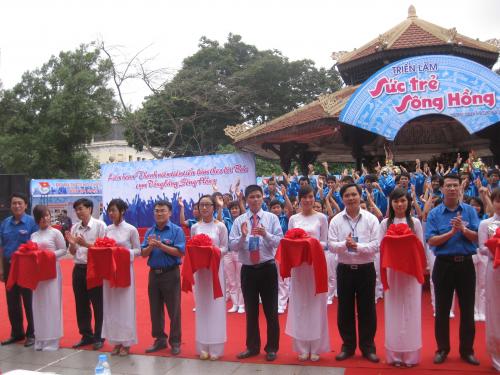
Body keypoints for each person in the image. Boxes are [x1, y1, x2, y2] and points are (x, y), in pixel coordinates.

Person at [425, 174, 480, 365]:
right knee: (441, 310)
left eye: (455, 185)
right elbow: (431, 240)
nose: (452, 189)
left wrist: (463, 230)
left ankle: (467, 351)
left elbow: (478, 238)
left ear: (460, 188)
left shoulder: (470, 212)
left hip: (465, 264)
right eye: (448, 185)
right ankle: (442, 349)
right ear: (442, 189)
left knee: (467, 310)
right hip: (444, 265)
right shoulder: (434, 214)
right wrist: (452, 232)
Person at [229, 185, 283, 362]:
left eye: (258, 196)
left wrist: (266, 234)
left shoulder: (271, 218)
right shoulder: (239, 221)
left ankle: (272, 348)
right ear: (246, 199)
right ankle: (252, 347)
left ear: (262, 198)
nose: (255, 200)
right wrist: (244, 236)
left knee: (271, 311)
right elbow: (233, 246)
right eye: (251, 197)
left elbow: (278, 242)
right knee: (251, 311)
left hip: (267, 268)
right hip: (248, 271)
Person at [328, 183, 380, 363]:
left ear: (360, 196)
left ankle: (368, 347)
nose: (351, 198)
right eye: (347, 195)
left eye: (354, 195)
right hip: (345, 270)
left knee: (368, 310)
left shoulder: (371, 219)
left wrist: (356, 246)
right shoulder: (336, 220)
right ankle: (348, 347)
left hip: (366, 270)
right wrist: (345, 245)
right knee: (345, 310)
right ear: (342, 199)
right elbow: (332, 245)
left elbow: (376, 245)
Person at [379, 188, 424, 367]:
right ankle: (395, 354)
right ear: (391, 203)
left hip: (411, 273)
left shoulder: (415, 223)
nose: (399, 204)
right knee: (393, 311)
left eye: (403, 201)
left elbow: (421, 248)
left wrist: (422, 269)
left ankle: (411, 355)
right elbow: (381, 249)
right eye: (396, 201)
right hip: (393, 273)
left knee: (412, 310)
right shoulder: (385, 224)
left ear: (408, 202)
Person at [286, 186, 330, 362]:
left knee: (316, 305)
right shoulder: (293, 219)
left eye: (310, 197)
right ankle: (303, 347)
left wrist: (309, 242)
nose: (307, 200)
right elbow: (288, 240)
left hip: (316, 265)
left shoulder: (321, 218)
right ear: (299, 200)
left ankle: (316, 346)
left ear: (314, 198)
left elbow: (325, 242)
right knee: (300, 305)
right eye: (304, 197)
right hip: (299, 267)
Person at [141, 200, 185, 355]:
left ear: (170, 212)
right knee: (155, 309)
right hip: (154, 274)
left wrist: (161, 246)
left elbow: (180, 252)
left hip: (170, 274)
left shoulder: (176, 230)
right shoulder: (149, 231)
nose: (159, 213)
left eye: (162, 210)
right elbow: (143, 254)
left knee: (174, 310)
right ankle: (159, 339)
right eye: (156, 211)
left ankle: (175, 342)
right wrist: (151, 246)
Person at [190, 195, 228, 360]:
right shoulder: (195, 227)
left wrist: (212, 250)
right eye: (201, 205)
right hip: (200, 272)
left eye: (207, 205)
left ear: (213, 207)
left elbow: (226, 248)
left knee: (216, 306)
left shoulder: (220, 227)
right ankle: (203, 346)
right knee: (202, 307)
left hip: (215, 270)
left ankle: (216, 347)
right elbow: (192, 247)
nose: (204, 208)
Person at [65, 198, 106, 350]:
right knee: (81, 304)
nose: (78, 212)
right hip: (79, 268)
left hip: (95, 268)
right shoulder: (75, 227)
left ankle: (99, 336)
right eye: (76, 209)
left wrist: (86, 244)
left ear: (90, 209)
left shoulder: (100, 226)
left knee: (98, 303)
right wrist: (73, 244)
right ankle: (86, 335)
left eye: (81, 208)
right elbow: (72, 252)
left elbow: (104, 248)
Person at [102, 199, 141, 356]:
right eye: (109, 210)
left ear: (122, 211)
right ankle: (115, 341)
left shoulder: (131, 229)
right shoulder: (107, 229)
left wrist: (124, 253)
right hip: (109, 272)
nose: (111, 213)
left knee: (125, 306)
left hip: (125, 271)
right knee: (111, 306)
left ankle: (126, 343)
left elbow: (138, 250)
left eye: (114, 210)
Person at [0, 193, 38, 347]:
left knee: (29, 301)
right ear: (10, 206)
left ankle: (32, 334)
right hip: (9, 266)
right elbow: (1, 248)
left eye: (20, 203)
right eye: (14, 203)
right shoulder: (5, 223)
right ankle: (17, 332)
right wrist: (2, 269)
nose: (16, 206)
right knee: (12, 301)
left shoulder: (31, 223)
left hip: (26, 267)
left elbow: (37, 246)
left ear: (26, 205)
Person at [30, 205, 67, 351]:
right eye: (42, 216)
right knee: (38, 304)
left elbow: (63, 250)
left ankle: (52, 339)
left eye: (47, 215)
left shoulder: (56, 233)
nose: (45, 219)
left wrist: (48, 256)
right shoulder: (34, 235)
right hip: (38, 273)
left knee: (52, 303)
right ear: (37, 219)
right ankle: (40, 337)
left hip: (52, 271)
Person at [477, 188, 500, 371]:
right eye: (498, 200)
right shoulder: (485, 224)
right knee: (494, 310)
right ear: (493, 202)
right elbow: (481, 249)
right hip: (494, 269)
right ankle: (496, 355)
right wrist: (495, 246)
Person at [223, 201, 244, 314]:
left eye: (236, 208)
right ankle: (235, 304)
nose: (234, 210)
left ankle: (241, 304)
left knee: (240, 279)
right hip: (228, 253)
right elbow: (219, 220)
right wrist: (221, 206)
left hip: (239, 252)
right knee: (231, 281)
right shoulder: (226, 221)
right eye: (232, 209)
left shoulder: (243, 220)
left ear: (240, 209)